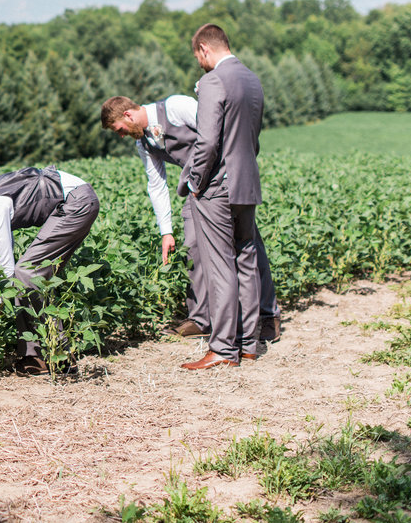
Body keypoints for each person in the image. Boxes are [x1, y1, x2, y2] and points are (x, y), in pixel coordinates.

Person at [99, 94, 281, 342]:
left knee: (246, 244)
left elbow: (219, 130)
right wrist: (166, 231)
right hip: (196, 189)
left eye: (118, 129)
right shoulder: (144, 144)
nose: (120, 135)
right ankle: (200, 318)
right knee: (193, 248)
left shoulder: (175, 107)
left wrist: (229, 176)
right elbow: (157, 185)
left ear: (127, 115)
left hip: (227, 179)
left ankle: (269, 315)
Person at [0, 166, 99, 373]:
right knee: (28, 276)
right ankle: (35, 356)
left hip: (76, 203)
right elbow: (0, 265)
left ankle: (60, 356)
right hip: (75, 199)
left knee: (27, 273)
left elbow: (6, 268)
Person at [175, 24, 265, 369]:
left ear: (203, 49)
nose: (199, 63)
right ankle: (248, 344)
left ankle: (223, 348)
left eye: (197, 56)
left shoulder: (214, 81)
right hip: (247, 181)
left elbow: (208, 140)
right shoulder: (252, 79)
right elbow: (251, 137)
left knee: (219, 266)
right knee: (246, 259)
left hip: (217, 186)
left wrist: (194, 181)